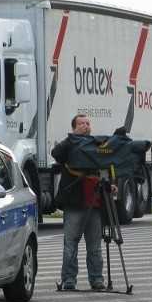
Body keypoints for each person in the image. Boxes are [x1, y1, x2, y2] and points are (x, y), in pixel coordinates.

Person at [51, 114, 117, 291]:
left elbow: (106, 168)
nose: (86, 127)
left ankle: (96, 279)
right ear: (74, 128)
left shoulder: (97, 145)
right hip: (74, 202)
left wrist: (111, 185)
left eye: (88, 124)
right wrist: (73, 138)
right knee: (70, 244)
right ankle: (69, 280)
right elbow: (56, 154)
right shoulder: (70, 144)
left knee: (94, 246)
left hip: (94, 203)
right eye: (81, 124)